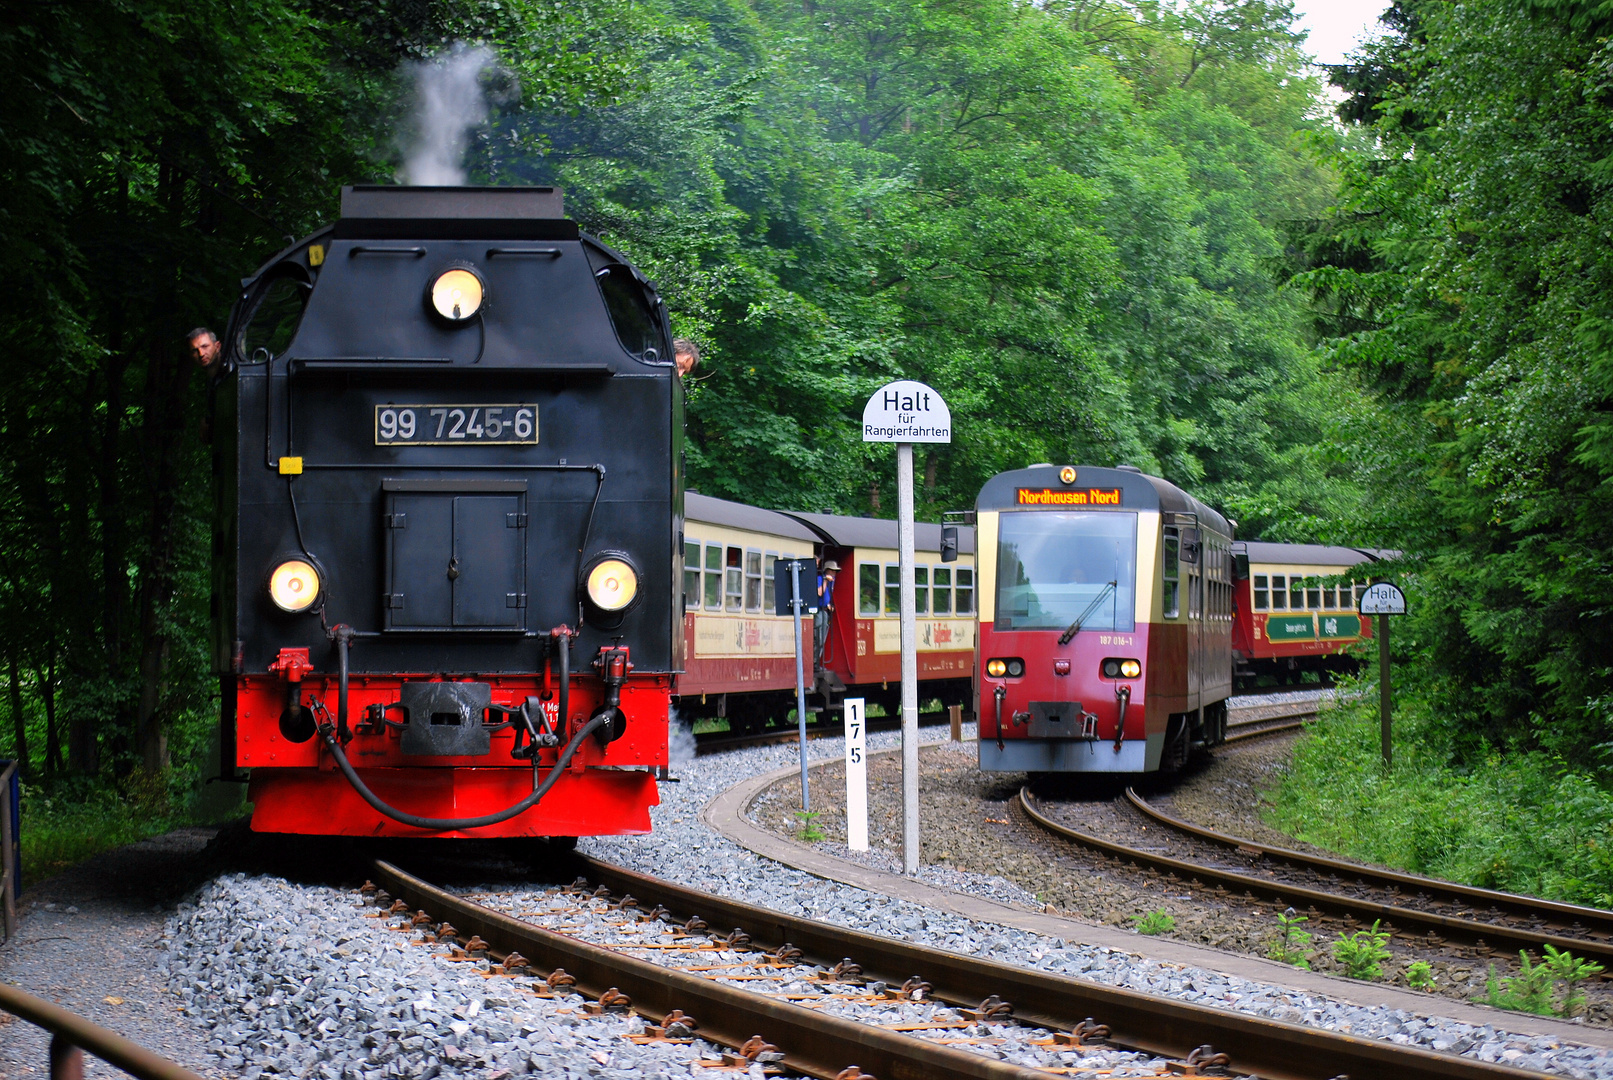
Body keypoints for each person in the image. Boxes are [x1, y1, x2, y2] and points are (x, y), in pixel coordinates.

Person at [813, 559, 839, 665]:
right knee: (818, 637)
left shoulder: (832, 582)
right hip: (818, 611)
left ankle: (816, 661)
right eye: (833, 571)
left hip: (824, 611)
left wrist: (828, 605)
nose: (835, 574)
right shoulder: (820, 579)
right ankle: (813, 661)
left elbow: (826, 596)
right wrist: (825, 581)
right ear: (828, 571)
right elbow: (819, 593)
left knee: (822, 639)